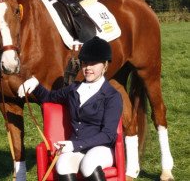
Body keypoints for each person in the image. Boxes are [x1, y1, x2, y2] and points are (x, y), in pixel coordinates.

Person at [18, 36, 123, 181]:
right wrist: (35, 85)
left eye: (93, 64)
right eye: (85, 63)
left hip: (101, 148)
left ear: (105, 65)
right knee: (62, 165)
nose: (88, 68)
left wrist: (74, 145)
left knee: (88, 164)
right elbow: (49, 97)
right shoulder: (73, 89)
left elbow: (108, 135)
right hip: (76, 148)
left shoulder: (112, 96)